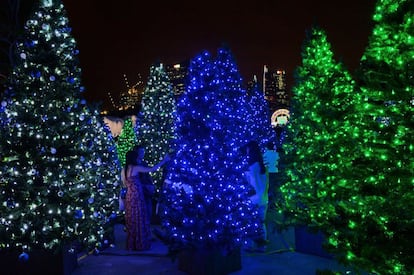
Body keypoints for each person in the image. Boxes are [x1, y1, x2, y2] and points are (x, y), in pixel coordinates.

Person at [123, 150, 169, 250]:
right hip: (137, 196)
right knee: (139, 218)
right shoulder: (135, 168)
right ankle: (140, 243)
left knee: (132, 219)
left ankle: (132, 244)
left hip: (129, 196)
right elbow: (152, 169)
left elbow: (124, 184)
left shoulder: (124, 170)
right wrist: (164, 161)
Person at [243, 140, 269, 252]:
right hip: (263, 199)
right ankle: (263, 246)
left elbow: (249, 183)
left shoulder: (251, 168)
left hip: (253, 200)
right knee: (261, 223)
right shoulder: (264, 166)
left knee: (250, 223)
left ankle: (250, 245)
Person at [133, 145, 156, 223]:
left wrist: (151, 185)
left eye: (143, 152)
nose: (143, 153)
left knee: (148, 207)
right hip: (138, 189)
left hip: (146, 190)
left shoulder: (144, 163)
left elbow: (148, 176)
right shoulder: (133, 165)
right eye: (141, 152)